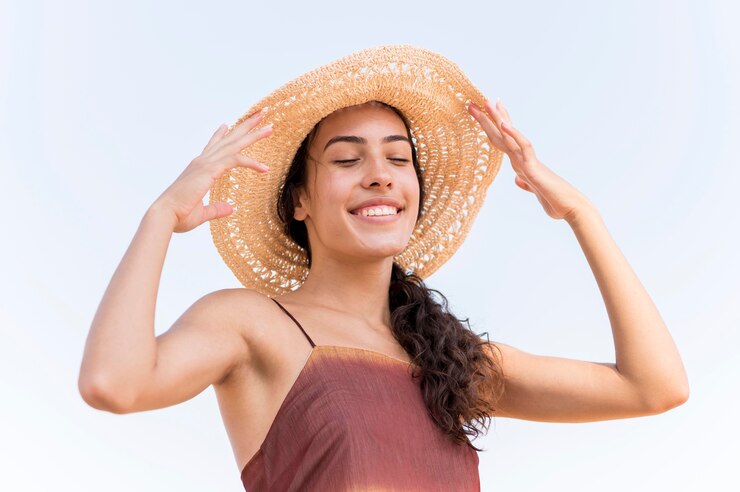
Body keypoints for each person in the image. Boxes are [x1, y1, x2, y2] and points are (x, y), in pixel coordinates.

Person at [78, 45, 689, 491]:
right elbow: (114, 383)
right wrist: (159, 217)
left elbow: (654, 387)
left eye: (398, 158)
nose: (380, 173)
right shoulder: (249, 324)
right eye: (347, 159)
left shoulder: (446, 359)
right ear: (299, 199)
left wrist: (581, 213)